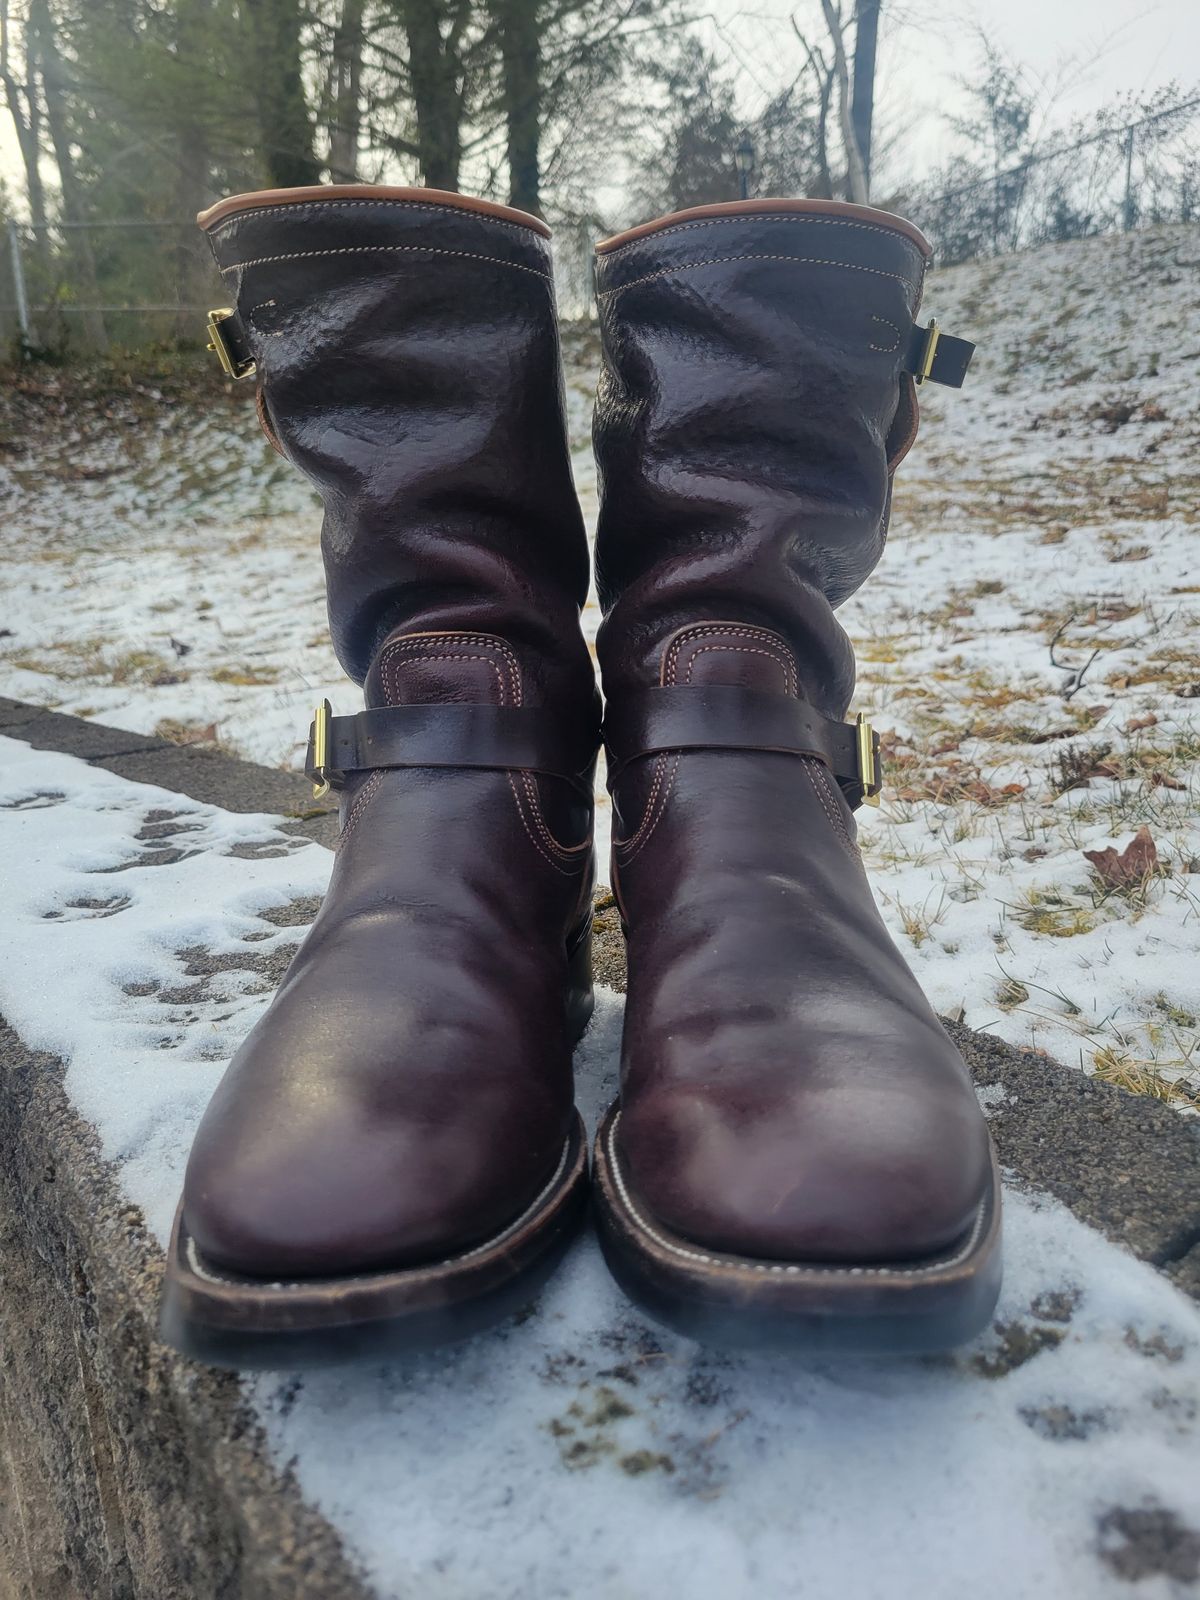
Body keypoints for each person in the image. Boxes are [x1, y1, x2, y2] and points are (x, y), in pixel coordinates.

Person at [160, 184, 999, 1368]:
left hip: (754, 790)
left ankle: (720, 865)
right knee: (459, 633)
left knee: (726, 628)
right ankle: (490, 885)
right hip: (444, 798)